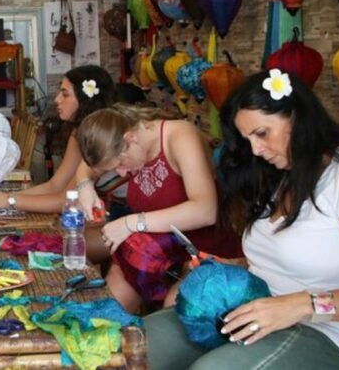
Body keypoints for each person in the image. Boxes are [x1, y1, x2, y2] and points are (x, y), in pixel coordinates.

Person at [145, 70, 339, 370]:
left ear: (298, 117)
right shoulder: (281, 177)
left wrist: (299, 305)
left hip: (330, 332)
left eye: (262, 133)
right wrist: (230, 266)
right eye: (248, 140)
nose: (256, 150)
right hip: (252, 308)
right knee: (137, 344)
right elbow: (285, 260)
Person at [76, 103, 240, 313]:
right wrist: (85, 186)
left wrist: (130, 223)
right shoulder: (126, 145)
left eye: (120, 164)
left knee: (172, 311)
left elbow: (205, 210)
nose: (121, 173)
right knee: (102, 317)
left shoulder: (180, 136)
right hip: (151, 251)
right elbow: (87, 166)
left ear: (130, 138)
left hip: (202, 254)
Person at [0, 65, 118, 262]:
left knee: (34, 249)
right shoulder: (78, 133)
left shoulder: (100, 137)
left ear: (85, 100)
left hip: (113, 222)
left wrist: (7, 201)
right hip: (84, 222)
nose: (57, 99)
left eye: (65, 94)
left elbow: (65, 201)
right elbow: (54, 185)